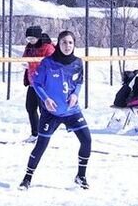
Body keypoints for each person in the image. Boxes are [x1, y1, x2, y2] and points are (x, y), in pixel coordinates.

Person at [20, 30, 92, 190]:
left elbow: (79, 81)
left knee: (86, 140)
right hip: (51, 113)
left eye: (70, 43)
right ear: (58, 44)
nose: (67, 46)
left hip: (72, 111)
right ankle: (27, 178)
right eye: (64, 42)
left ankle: (81, 176)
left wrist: (75, 95)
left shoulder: (78, 63)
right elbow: (36, 83)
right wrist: (46, 99)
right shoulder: (47, 62)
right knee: (41, 145)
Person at [22, 25, 55, 142]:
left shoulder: (48, 47)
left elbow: (51, 64)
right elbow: (25, 58)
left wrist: (32, 64)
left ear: (38, 37)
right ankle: (35, 134)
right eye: (28, 39)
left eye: (32, 38)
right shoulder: (29, 47)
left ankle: (44, 134)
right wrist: (25, 63)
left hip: (43, 84)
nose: (30, 41)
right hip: (32, 82)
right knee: (30, 108)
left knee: (44, 110)